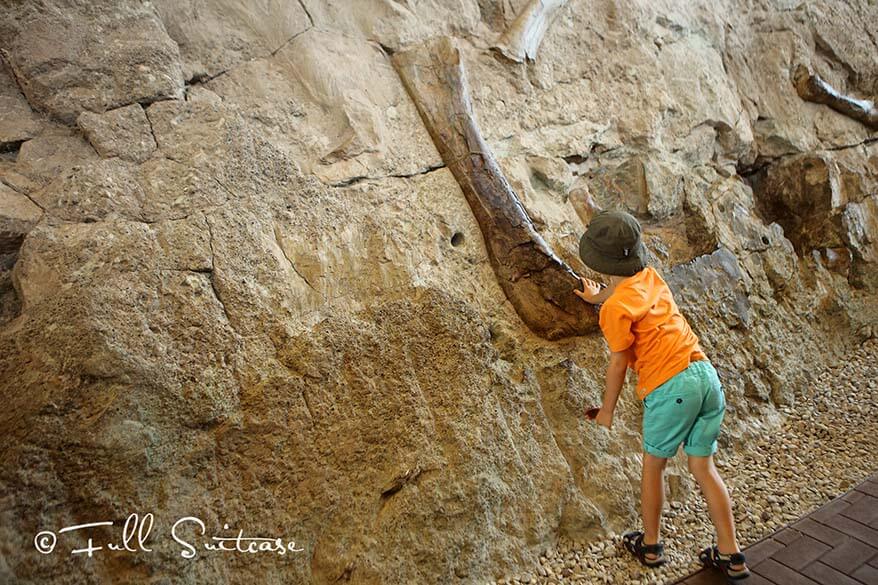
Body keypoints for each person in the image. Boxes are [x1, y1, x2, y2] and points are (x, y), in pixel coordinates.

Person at [574, 209, 750, 581]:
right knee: (703, 467)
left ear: (597, 259)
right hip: (705, 376)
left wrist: (606, 411)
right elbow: (623, 292)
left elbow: (619, 363)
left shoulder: (615, 310)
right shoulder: (650, 278)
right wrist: (599, 297)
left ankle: (651, 545)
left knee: (654, 466)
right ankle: (731, 554)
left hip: (670, 389)